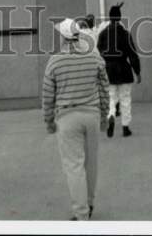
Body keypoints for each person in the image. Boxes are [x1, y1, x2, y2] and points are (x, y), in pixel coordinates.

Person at [42, 16, 109, 221]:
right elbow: (104, 87)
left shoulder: (55, 61)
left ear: (62, 36)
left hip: (67, 117)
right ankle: (88, 205)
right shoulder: (94, 56)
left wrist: (49, 121)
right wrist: (105, 115)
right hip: (92, 114)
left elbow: (47, 94)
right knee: (91, 164)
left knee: (74, 166)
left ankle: (81, 215)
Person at [97, 3, 141, 136]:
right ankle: (125, 127)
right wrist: (137, 71)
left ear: (110, 18)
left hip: (108, 69)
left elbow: (98, 54)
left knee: (111, 98)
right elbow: (132, 54)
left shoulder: (103, 33)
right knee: (125, 98)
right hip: (123, 69)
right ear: (120, 17)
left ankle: (110, 115)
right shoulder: (125, 34)